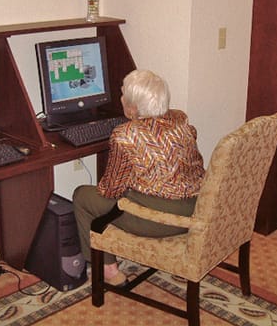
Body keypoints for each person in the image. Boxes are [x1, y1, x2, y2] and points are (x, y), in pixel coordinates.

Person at [73, 69, 205, 285]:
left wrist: (128, 182)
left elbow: (110, 190)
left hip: (161, 221)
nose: (120, 97)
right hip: (195, 209)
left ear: (132, 108)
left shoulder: (125, 135)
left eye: (123, 94)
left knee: (82, 196)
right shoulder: (181, 119)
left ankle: (108, 269)